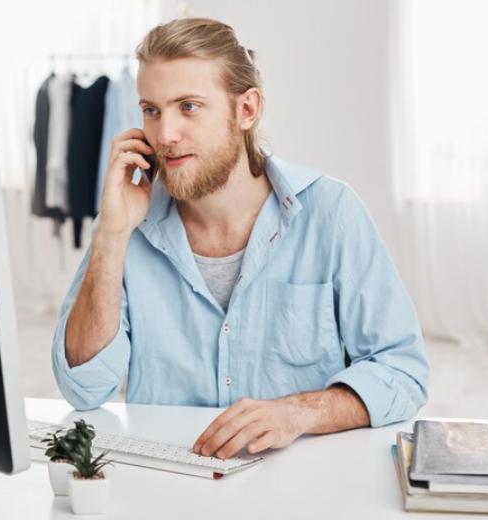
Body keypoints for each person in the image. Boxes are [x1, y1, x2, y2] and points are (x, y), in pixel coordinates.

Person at [51, 17, 428, 460]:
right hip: (172, 486)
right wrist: (112, 234)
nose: (165, 135)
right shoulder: (125, 224)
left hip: (303, 483)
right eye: (151, 110)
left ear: (247, 110)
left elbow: (402, 373)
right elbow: (84, 387)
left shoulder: (332, 213)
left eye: (188, 106)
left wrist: (297, 412)